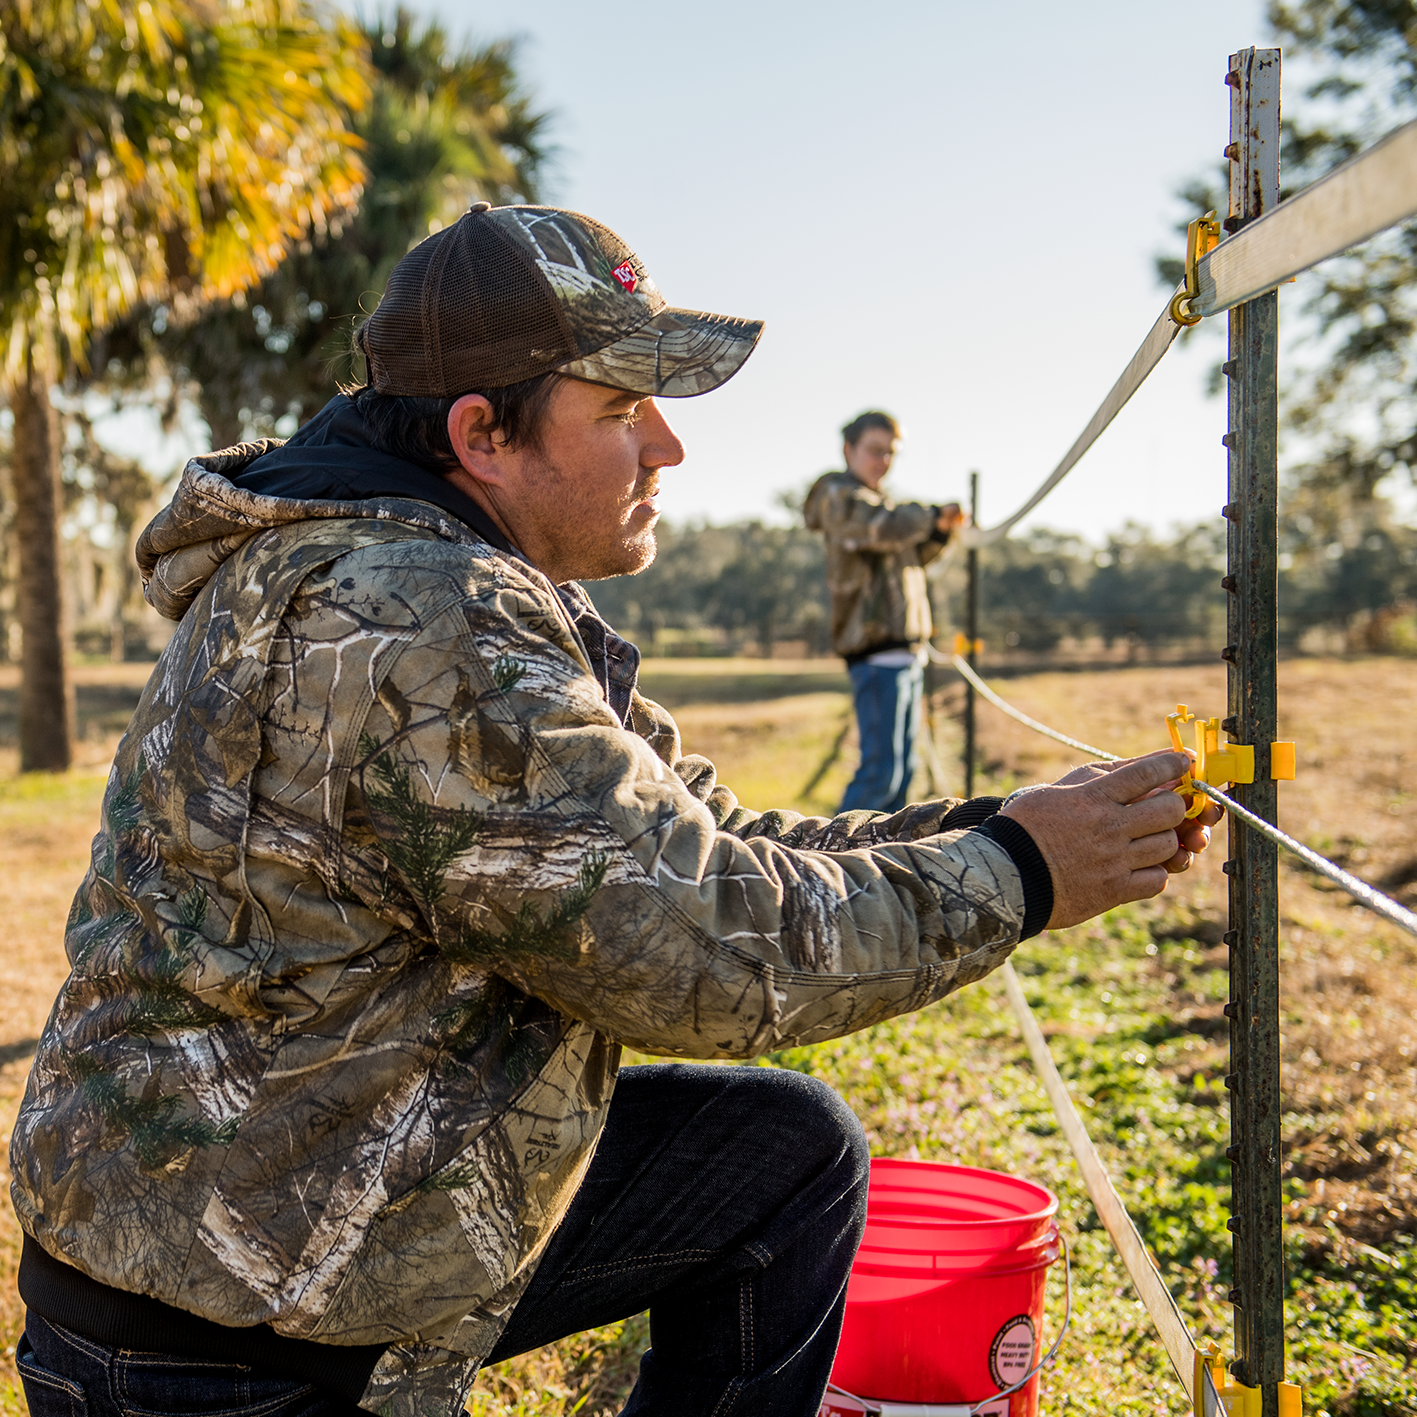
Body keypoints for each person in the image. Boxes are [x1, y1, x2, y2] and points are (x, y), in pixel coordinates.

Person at [10, 202, 1220, 1417]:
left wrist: (1000, 822)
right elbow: (701, 948)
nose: (669, 450)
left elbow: (714, 846)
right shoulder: (426, 614)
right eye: (620, 410)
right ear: (481, 432)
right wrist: (1020, 870)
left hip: (281, 1212)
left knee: (778, 1155)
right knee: (776, 1146)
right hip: (233, 1341)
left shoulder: (419, 567)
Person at [804, 413, 964, 814]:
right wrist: (931, 516)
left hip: (906, 651)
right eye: (875, 451)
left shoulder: (883, 507)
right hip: (876, 654)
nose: (884, 461)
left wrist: (939, 532)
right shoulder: (839, 497)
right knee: (880, 775)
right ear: (848, 450)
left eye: (891, 452)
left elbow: (914, 556)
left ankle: (877, 865)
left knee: (902, 775)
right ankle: (832, 861)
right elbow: (883, 528)